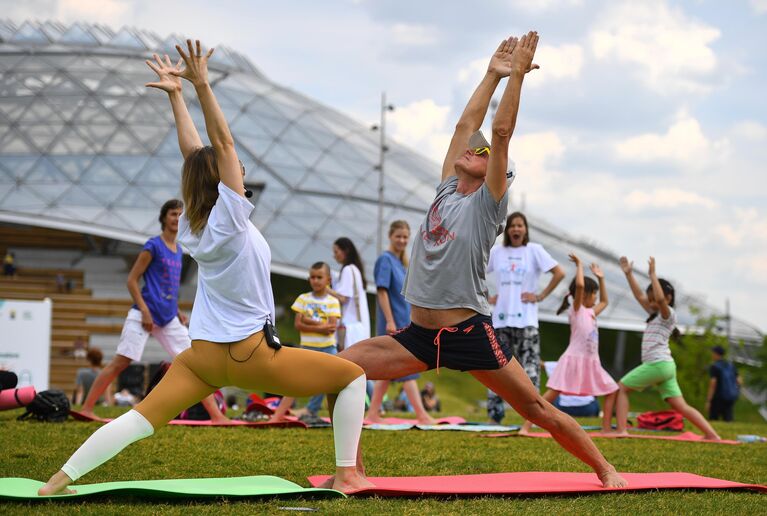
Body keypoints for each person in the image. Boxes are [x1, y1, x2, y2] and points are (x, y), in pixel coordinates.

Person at [39, 42, 372, 495]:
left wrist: (176, 96)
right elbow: (222, 142)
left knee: (138, 420)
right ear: (222, 179)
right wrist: (202, 85)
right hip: (251, 354)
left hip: (201, 358)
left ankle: (57, 481)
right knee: (351, 376)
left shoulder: (195, 227)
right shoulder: (231, 218)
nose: (238, 164)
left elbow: (194, 152)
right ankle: (348, 473)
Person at [323, 32, 627, 488]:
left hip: (468, 333)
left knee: (536, 409)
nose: (475, 147)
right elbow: (467, 124)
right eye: (473, 147)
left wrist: (518, 78)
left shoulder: (488, 204)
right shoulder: (447, 188)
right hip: (420, 335)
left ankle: (606, 469)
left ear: (496, 172)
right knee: (339, 373)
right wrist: (491, 74)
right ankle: (353, 471)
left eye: (483, 153)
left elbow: (500, 132)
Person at [76, 198, 227, 425]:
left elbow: (168, 287)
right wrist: (145, 311)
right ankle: (87, 409)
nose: (176, 218)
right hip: (142, 314)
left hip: (168, 318)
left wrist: (176, 311)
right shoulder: (153, 246)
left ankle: (217, 416)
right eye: (172, 214)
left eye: (179, 214)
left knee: (195, 363)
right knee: (120, 362)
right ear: (164, 218)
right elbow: (132, 280)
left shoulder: (178, 250)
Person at [615, 256, 720, 440]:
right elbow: (639, 296)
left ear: (668, 298)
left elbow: (661, 300)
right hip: (665, 367)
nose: (651, 303)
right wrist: (629, 274)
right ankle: (712, 435)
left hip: (658, 364)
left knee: (622, 388)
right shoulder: (655, 314)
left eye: (654, 299)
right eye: (650, 300)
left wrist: (653, 275)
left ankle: (621, 429)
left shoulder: (667, 314)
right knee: (681, 406)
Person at [519, 254, 617, 434]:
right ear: (583, 295)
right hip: (573, 360)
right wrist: (580, 265)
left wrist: (601, 279)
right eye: (593, 292)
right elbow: (579, 285)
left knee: (611, 390)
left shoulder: (591, 312)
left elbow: (605, 302)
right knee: (550, 395)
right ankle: (525, 427)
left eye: (595, 292)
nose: (596, 296)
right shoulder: (577, 310)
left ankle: (606, 429)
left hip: (591, 362)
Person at [486, 211, 565, 423]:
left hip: (526, 321)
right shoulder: (497, 252)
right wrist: (485, 296)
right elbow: (476, 270)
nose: (516, 229)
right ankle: (495, 415)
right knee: (497, 367)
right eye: (512, 226)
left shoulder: (534, 251)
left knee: (530, 370)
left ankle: (532, 418)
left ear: (525, 229)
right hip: (501, 320)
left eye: (520, 225)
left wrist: (540, 295)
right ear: (507, 230)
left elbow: (560, 272)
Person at [366, 220, 435, 424]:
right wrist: (389, 321)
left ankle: (372, 413)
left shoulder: (403, 263)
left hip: (405, 321)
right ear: (390, 236)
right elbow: (382, 291)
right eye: (398, 236)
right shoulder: (385, 260)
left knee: (388, 369)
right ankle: (422, 415)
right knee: (407, 368)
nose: (402, 240)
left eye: (405, 237)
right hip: (393, 323)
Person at [269, 262, 341, 422]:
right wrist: (320, 325)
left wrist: (309, 321)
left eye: (319, 277)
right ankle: (277, 416)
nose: (315, 280)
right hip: (308, 348)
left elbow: (332, 328)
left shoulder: (332, 301)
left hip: (328, 348)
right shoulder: (303, 299)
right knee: (296, 382)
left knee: (331, 382)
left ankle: (323, 413)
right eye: (312, 277)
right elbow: (298, 325)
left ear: (328, 279)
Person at [327, 237, 370, 350]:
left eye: (336, 251)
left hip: (349, 326)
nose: (334, 255)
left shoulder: (347, 270)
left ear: (345, 251)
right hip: (359, 326)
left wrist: (325, 289)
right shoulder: (355, 269)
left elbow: (343, 298)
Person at [706, 345, 741, 422]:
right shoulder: (730, 365)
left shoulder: (714, 366)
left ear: (716, 354)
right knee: (728, 419)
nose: (712, 354)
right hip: (730, 396)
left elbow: (713, 383)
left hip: (718, 397)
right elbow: (739, 380)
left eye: (713, 353)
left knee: (713, 419)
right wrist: (735, 391)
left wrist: (709, 400)